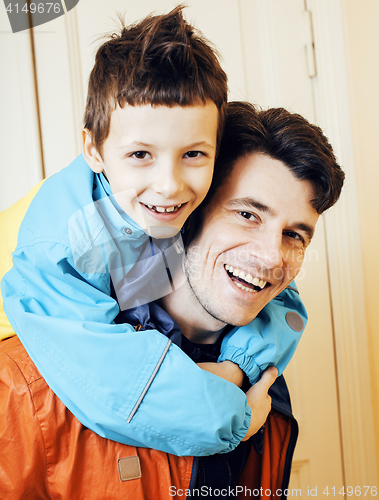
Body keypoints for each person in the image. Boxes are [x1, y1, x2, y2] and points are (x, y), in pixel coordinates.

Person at [0, 7, 308, 455]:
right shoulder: (63, 244)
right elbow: (116, 387)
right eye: (141, 154)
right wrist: (238, 417)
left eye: (194, 155)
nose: (170, 184)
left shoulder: (169, 210)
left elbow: (285, 302)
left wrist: (239, 366)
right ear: (94, 149)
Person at [0, 102, 345, 499]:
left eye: (294, 235)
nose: (270, 257)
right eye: (248, 215)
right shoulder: (27, 385)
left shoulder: (264, 381)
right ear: (184, 209)